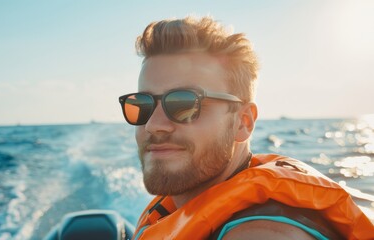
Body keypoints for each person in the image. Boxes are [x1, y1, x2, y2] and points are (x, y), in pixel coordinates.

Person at [118, 16, 374, 239]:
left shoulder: (262, 232)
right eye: (143, 104)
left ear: (244, 122)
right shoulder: (181, 205)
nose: (153, 125)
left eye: (184, 104)